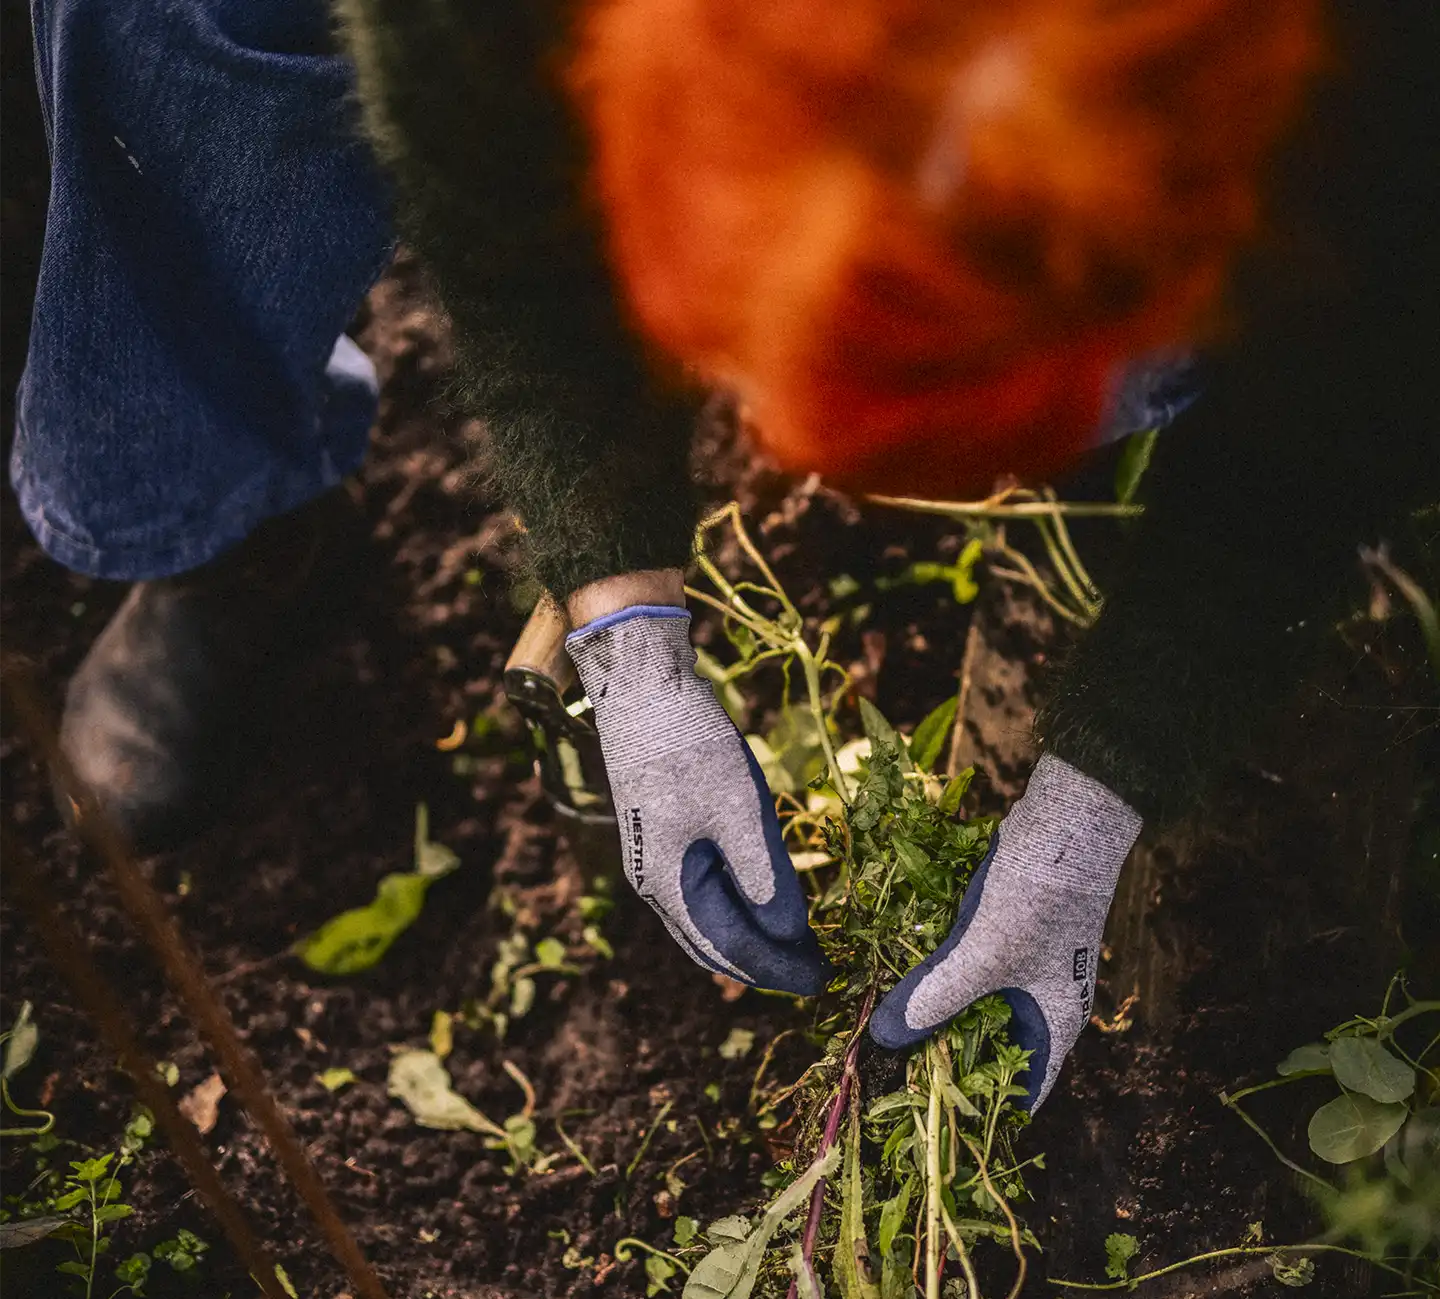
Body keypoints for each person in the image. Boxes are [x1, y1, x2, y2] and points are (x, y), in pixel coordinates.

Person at [17, 0, 1438, 1111]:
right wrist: (622, 625)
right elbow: (505, 223)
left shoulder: (1372, 84)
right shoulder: (499, 37)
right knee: (173, 28)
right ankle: (216, 520)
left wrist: (1095, 806)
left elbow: (1327, 422)